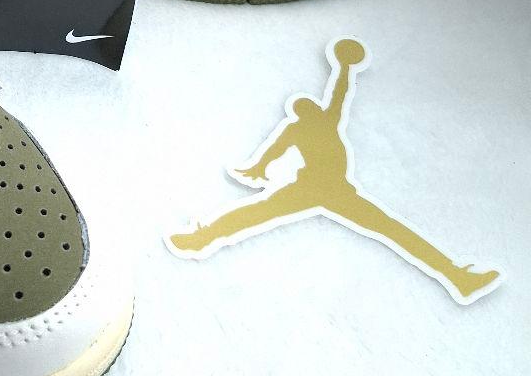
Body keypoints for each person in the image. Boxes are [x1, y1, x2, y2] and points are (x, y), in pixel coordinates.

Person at [168, 39, 499, 302]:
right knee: (391, 231)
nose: (310, 109)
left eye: (310, 107)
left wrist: (344, 67)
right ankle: (201, 238)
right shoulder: (309, 126)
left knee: (393, 231)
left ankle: (457, 276)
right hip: (312, 189)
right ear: (304, 112)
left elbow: (333, 98)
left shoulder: (318, 123)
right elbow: (273, 151)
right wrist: (257, 168)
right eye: (305, 108)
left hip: (336, 191)